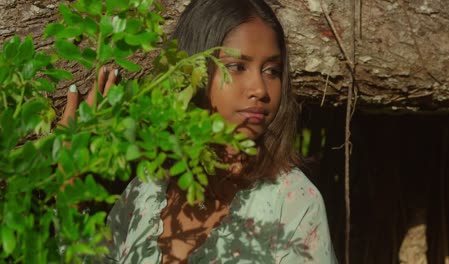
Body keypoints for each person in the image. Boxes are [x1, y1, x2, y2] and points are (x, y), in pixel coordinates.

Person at [60, 0, 337, 263]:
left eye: (271, 70)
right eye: (237, 67)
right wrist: (69, 181)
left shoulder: (293, 204)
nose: (260, 90)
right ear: (192, 71)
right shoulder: (148, 189)